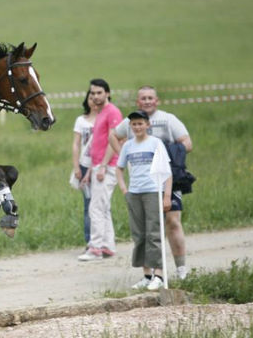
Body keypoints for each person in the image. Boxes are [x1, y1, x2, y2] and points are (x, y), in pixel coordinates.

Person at [109, 86, 193, 279]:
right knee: (147, 229)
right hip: (143, 183)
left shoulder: (168, 119)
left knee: (172, 222)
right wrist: (125, 156)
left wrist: (166, 153)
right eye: (143, 98)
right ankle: (150, 274)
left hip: (168, 178)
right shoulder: (130, 122)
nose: (147, 101)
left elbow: (188, 143)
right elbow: (113, 135)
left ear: (157, 100)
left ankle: (181, 268)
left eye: (150, 98)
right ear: (138, 102)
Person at [115, 110, 173, 291]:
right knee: (139, 235)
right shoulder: (128, 146)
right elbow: (119, 168)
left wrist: (166, 195)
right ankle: (147, 275)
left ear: (147, 125)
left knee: (154, 234)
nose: (137, 127)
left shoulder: (156, 143)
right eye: (134, 124)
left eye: (140, 123)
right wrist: (124, 189)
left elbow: (166, 171)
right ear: (130, 127)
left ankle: (160, 275)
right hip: (135, 193)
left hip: (153, 192)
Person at [78, 79, 123, 261]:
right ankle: (107, 245)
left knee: (95, 208)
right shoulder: (101, 113)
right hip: (97, 165)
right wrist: (90, 169)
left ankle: (95, 247)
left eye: (99, 93)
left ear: (107, 93)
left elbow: (114, 140)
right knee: (103, 208)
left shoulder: (112, 112)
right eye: (93, 93)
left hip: (108, 165)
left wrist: (103, 165)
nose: (95, 96)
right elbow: (96, 143)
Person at [70, 90, 98, 246]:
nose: (93, 100)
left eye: (96, 97)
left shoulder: (104, 118)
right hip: (84, 165)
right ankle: (90, 241)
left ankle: (102, 239)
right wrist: (76, 167)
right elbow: (76, 144)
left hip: (100, 166)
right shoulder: (81, 120)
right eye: (90, 97)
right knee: (88, 204)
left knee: (101, 204)